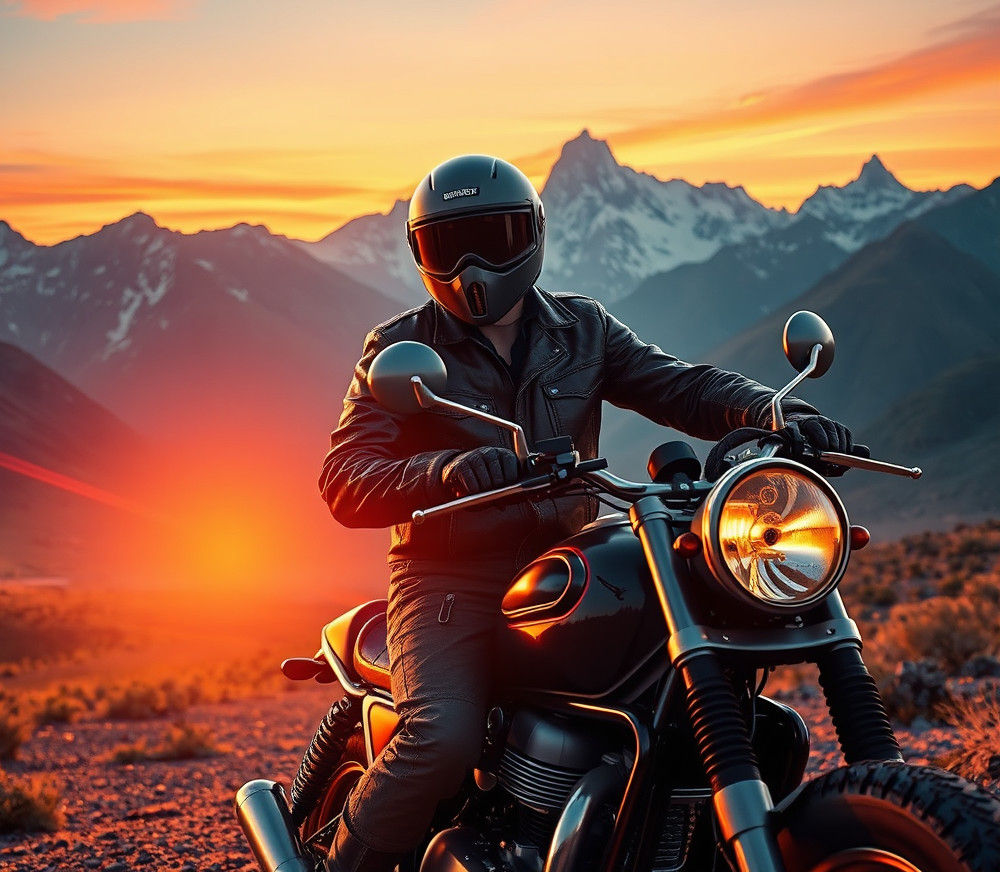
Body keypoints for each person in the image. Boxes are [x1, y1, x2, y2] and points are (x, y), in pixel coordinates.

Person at [318, 154, 856, 872]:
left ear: (531, 236)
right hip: (448, 575)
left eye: (494, 236)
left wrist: (773, 410)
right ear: (421, 253)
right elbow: (345, 476)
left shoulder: (584, 329)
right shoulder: (399, 349)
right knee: (441, 734)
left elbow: (682, 387)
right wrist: (441, 472)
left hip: (567, 561)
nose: (471, 263)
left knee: (684, 694)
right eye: (449, 245)